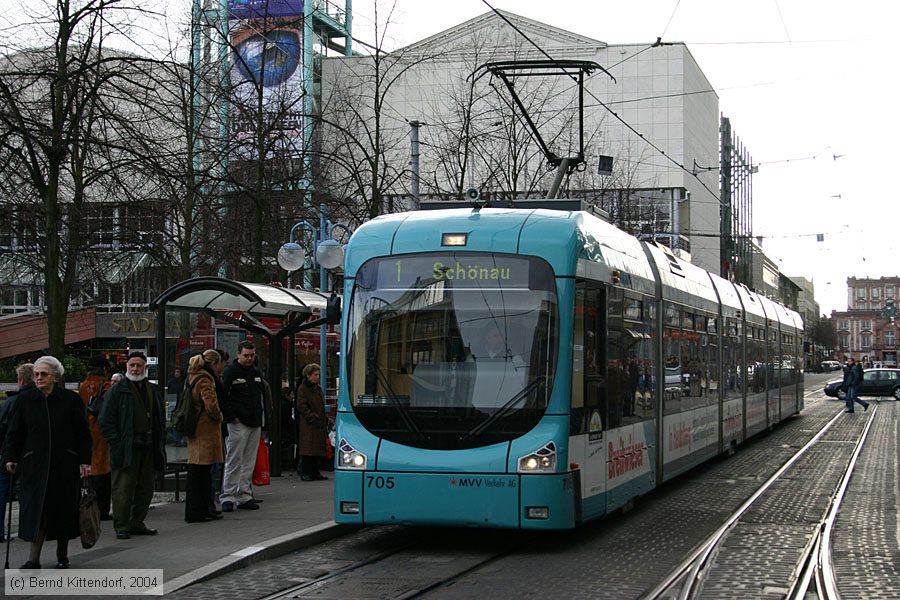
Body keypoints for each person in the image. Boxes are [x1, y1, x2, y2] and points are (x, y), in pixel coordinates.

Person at [3, 356, 91, 569]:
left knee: (63, 511)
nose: (39, 378)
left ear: (55, 377)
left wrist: (85, 461)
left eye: (44, 374)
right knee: (36, 511)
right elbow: (15, 433)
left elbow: (82, 433)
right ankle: (34, 559)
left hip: (64, 465)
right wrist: (10, 458)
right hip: (34, 466)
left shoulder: (70, 400)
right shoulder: (25, 401)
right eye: (36, 374)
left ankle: (62, 555)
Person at [99, 351, 166, 539]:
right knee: (123, 489)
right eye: (132, 365)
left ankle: (137, 522)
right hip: (127, 447)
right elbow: (105, 421)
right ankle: (122, 525)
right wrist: (117, 443)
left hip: (148, 446)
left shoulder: (153, 390)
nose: (135, 369)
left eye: (138, 365)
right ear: (127, 367)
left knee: (145, 489)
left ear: (145, 367)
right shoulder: (117, 390)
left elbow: (159, 418)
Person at [219, 341, 266, 512]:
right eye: (246, 355)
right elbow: (222, 397)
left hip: (254, 422)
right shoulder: (230, 372)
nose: (249, 358)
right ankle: (228, 495)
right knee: (234, 460)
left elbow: (262, 396)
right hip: (238, 423)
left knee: (248, 461)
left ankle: (244, 494)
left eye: (252, 355)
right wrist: (232, 417)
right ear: (238, 355)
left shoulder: (256, 372)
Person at [184, 350, 224, 523]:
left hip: (194, 428)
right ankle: (200, 511)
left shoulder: (191, 376)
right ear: (214, 364)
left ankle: (197, 510)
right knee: (203, 472)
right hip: (205, 429)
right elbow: (211, 405)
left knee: (196, 471)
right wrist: (220, 417)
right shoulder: (205, 379)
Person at [0, 363, 34, 542]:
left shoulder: (11, 402)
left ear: (20, 380)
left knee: (2, 492)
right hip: (30, 453)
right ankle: (28, 528)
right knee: (27, 493)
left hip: (9, 453)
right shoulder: (38, 400)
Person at [77, 356, 113, 521]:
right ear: (105, 370)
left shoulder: (83, 386)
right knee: (103, 472)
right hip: (102, 432)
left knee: (89, 470)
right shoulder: (106, 386)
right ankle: (102, 510)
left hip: (86, 430)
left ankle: (86, 506)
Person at [295, 364, 328, 481]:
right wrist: (312, 416)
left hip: (317, 422)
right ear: (308, 375)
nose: (317, 377)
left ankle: (314, 472)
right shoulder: (303, 388)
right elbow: (301, 405)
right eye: (315, 375)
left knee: (315, 449)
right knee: (308, 450)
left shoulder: (317, 388)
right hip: (309, 423)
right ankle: (305, 472)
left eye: (318, 375)